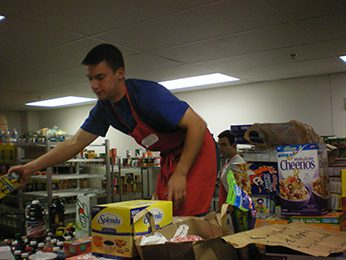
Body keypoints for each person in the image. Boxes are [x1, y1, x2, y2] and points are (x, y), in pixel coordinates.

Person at [9, 43, 217, 216]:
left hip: (197, 147)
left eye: (100, 77)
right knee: (164, 211)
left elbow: (198, 125)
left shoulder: (147, 94)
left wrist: (180, 173)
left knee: (186, 213)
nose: (94, 85)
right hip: (171, 154)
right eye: (90, 79)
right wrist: (30, 167)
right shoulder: (104, 109)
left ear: (120, 73)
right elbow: (73, 144)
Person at [217, 130, 245, 207]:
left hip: (233, 209)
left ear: (234, 146)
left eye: (224, 145)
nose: (221, 148)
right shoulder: (229, 161)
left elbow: (239, 192)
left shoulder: (237, 163)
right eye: (219, 145)